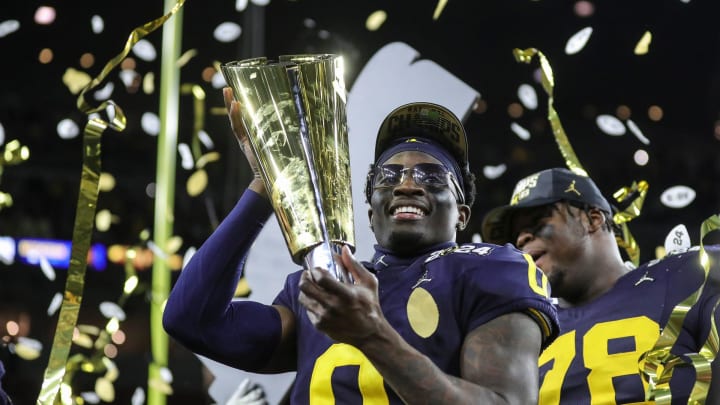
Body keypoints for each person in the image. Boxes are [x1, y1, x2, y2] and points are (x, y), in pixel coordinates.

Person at [163, 90, 559, 404]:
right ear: (370, 212)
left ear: (462, 214)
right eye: (388, 175)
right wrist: (267, 187)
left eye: (431, 175)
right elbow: (190, 320)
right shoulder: (326, 285)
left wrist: (371, 334)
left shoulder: (492, 267)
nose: (406, 183)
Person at [481, 167, 720, 404]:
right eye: (516, 236)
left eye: (536, 223)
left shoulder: (691, 273)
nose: (521, 240)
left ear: (592, 220)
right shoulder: (522, 331)